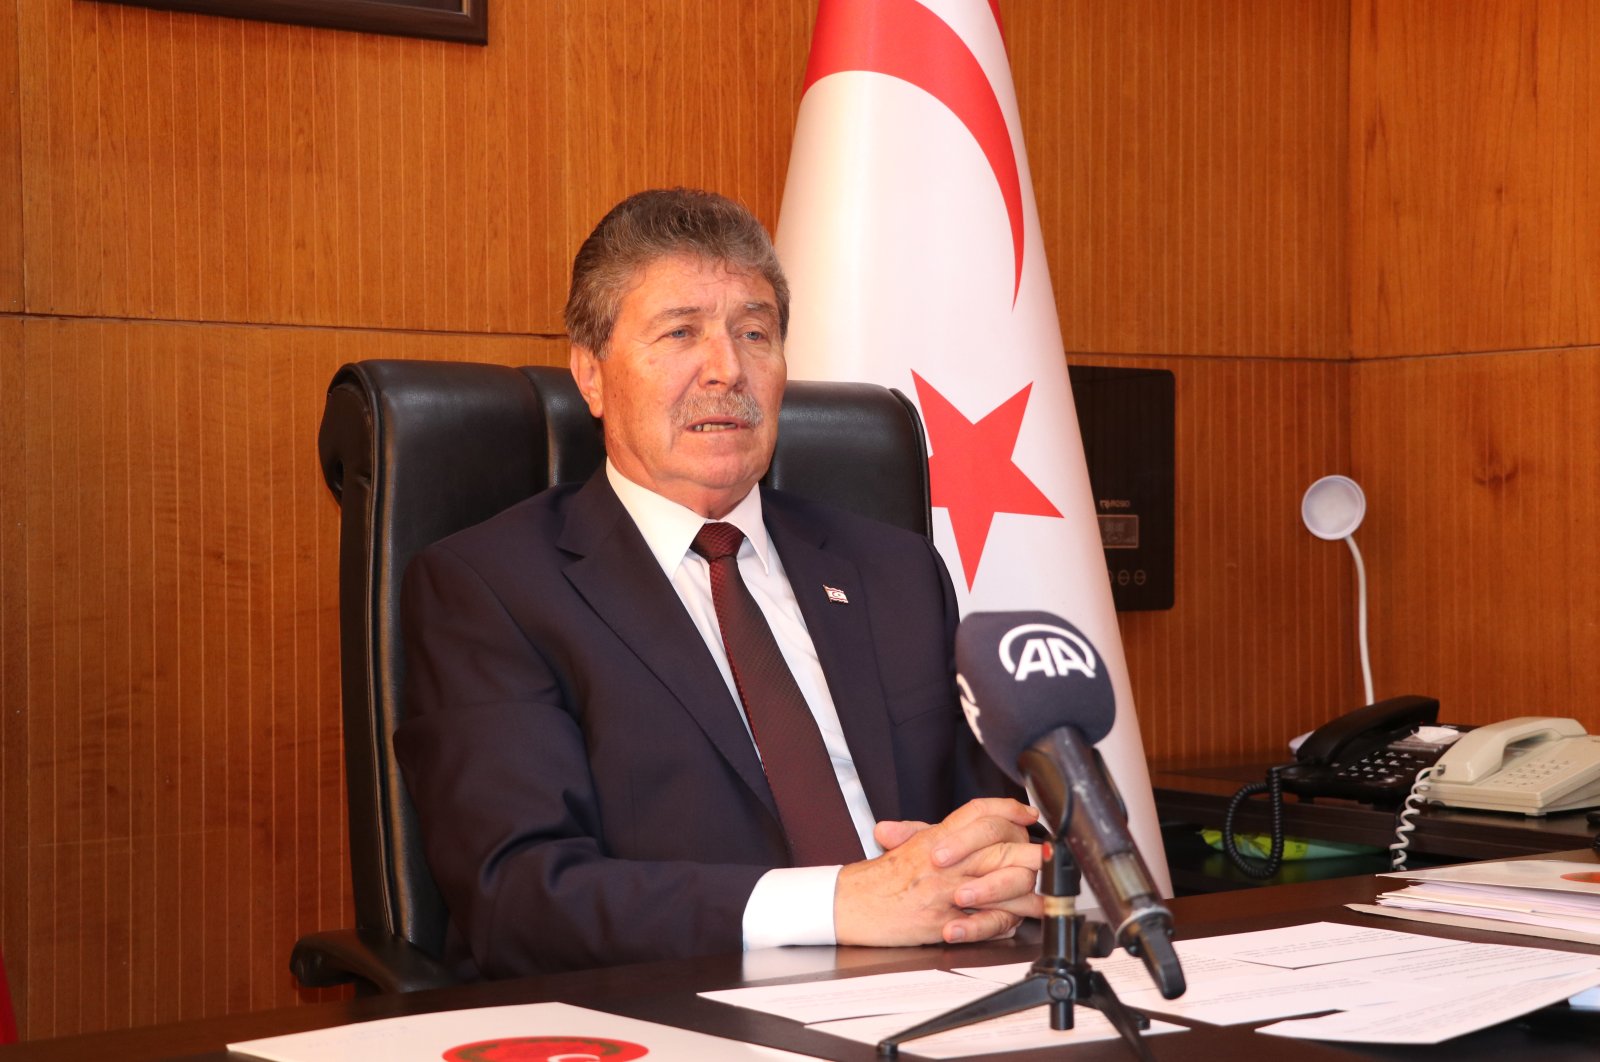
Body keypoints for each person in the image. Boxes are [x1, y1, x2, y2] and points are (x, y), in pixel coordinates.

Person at [395, 188, 1042, 979]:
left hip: (941, 995)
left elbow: (991, 820)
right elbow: (521, 897)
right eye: (680, 333)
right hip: (682, 1012)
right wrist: (841, 902)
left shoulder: (896, 571)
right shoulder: (492, 588)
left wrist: (1003, 863)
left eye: (754, 332)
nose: (727, 369)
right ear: (591, 376)